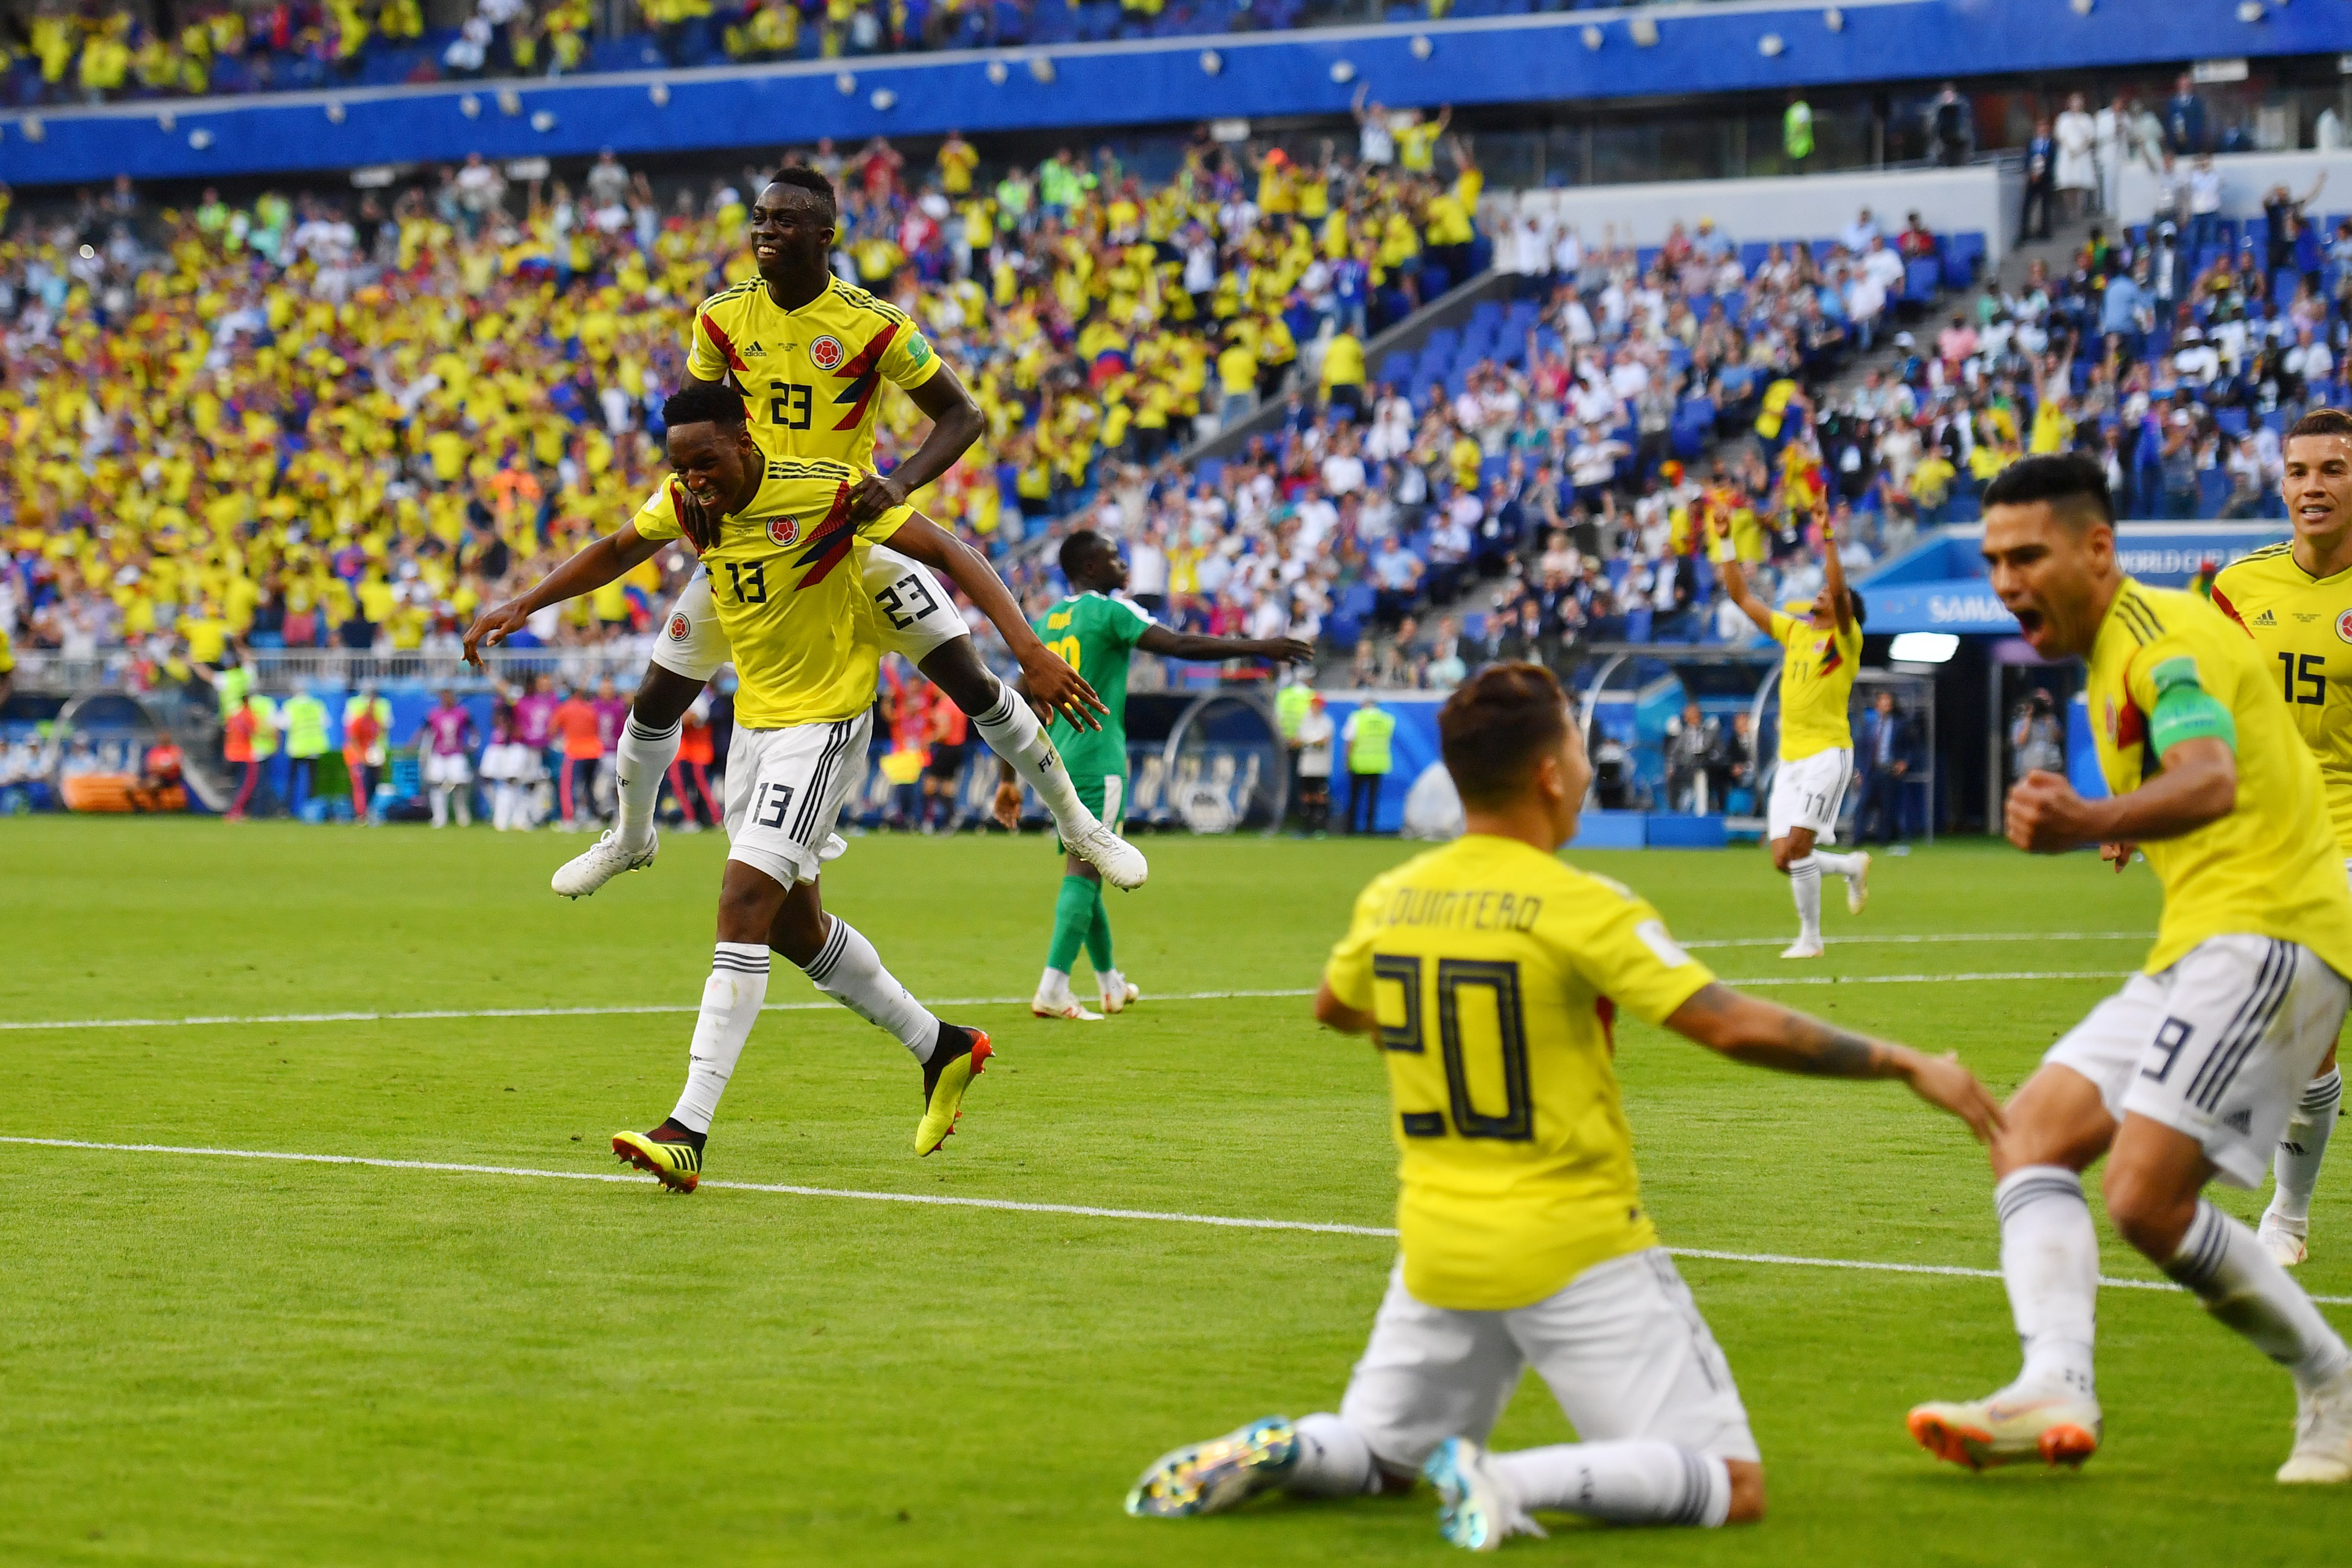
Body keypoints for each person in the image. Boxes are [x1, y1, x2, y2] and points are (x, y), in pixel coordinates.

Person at [1125, 663, 2003, 1545]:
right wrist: (1904, 1061)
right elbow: (1731, 1025)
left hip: (1439, 1241)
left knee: (1382, 1453)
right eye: (1578, 747)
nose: (1586, 766)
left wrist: (1428, 1024)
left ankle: (1300, 1449)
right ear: (1550, 772)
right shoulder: (1582, 904)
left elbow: (1335, 1004)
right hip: (1573, 1242)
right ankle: (1503, 1480)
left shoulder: (1394, 896)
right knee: (1730, 1485)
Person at [470, 383, 1103, 1187]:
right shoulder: (691, 502)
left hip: (826, 725)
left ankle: (687, 1129)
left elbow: (945, 549)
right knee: (792, 928)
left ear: (745, 440)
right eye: (680, 469)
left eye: (706, 462)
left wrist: (1022, 645)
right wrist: (524, 602)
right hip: (759, 733)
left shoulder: (824, 491)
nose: (694, 482)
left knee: (741, 902)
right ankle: (941, 1046)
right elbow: (617, 549)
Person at [504, 165, 1146, 902]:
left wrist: (898, 482)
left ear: (824, 234)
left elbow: (963, 415)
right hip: (749, 543)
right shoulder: (719, 318)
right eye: (758, 218)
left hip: (848, 528)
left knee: (971, 682)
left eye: (784, 220)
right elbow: (699, 413)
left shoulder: (873, 325)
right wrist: (704, 490)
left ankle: (1079, 827)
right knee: (655, 697)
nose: (765, 231)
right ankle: (629, 836)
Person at [1908, 453, 2352, 1484]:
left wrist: (2090, 818)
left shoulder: (2158, 641)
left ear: (2097, 548)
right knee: (2027, 1137)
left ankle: (2332, 1386)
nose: (2007, 581)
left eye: (2028, 555)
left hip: (2272, 934)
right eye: (1992, 561)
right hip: (2204, 941)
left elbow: (2207, 777)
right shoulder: (2124, 644)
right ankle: (2054, 1381)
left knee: (2145, 1200)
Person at [997, 529, 1310, 1021]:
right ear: (1093, 569)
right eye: (1115, 558)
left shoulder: (1044, 621)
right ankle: (1053, 988)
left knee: (1088, 866)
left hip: (1056, 764)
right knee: (1086, 872)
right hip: (1099, 758)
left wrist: (1007, 779)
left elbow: (1012, 700)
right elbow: (1181, 643)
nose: (1125, 565)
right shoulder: (1111, 612)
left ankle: (1109, 983)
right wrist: (1260, 646)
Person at [2207, 409, 2352, 1266]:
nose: (2314, 486)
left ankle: (2287, 1214)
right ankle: (2286, 1209)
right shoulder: (2240, 587)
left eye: (2333, 469)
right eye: (2300, 471)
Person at [1710, 507, 1870, 958]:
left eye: (1825, 591)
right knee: (1784, 857)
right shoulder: (1795, 633)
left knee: (1799, 849)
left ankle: (1811, 939)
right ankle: (1851, 868)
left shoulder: (1845, 639)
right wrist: (1726, 542)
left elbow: (1839, 591)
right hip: (1791, 760)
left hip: (1827, 756)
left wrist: (1827, 534)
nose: (1820, 593)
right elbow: (1741, 595)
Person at [1854, 690, 1913, 845]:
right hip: (1871, 771)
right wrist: (1859, 770)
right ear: (1877, 705)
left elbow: (1909, 747)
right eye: (1883, 702)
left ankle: (1884, 840)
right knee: (1864, 805)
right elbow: (1862, 748)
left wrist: (1904, 762)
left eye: (1889, 702)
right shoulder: (1870, 725)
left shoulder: (1900, 725)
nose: (1886, 705)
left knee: (1887, 807)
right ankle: (1857, 838)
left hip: (1889, 771)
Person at [414, 689, 478, 829]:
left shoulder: (462, 713)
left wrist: (473, 744)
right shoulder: (434, 714)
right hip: (439, 754)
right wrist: (414, 743)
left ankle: (462, 816)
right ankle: (439, 817)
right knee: (437, 785)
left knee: (460, 784)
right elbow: (424, 730)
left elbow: (473, 730)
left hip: (456, 753)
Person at [550, 683, 603, 831]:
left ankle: (569, 819)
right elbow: (596, 729)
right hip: (594, 751)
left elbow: (552, 730)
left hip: (575, 752)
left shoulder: (565, 709)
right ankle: (594, 818)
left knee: (568, 787)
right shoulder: (590, 709)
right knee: (589, 787)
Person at [1342, 695, 1396, 836]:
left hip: (1359, 762)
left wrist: (1347, 762)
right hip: (1378, 763)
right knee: (1372, 799)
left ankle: (1350, 828)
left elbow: (1350, 741)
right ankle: (1370, 829)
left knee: (1355, 798)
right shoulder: (1387, 720)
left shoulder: (1357, 718)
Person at [280, 686, 331, 820]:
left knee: (292, 780)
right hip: (314, 748)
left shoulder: (291, 705)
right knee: (312, 782)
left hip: (297, 748)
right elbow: (327, 723)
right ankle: (312, 812)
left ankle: (287, 810)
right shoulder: (317, 705)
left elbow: (284, 724)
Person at [343, 688, 388, 826]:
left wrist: (376, 758)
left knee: (371, 785)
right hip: (356, 757)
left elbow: (376, 740)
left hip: (368, 758)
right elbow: (353, 741)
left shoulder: (376, 723)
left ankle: (368, 812)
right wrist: (362, 757)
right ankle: (361, 815)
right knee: (360, 785)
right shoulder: (359, 721)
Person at [1295, 691, 1335, 836]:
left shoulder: (1327, 722)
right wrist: (1310, 741)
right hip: (1307, 766)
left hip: (1321, 767)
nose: (1314, 708)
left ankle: (1321, 828)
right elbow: (1297, 741)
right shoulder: (1305, 722)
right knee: (1306, 795)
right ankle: (1307, 828)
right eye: (1313, 705)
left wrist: (1307, 741)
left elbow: (1324, 740)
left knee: (1320, 795)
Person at [2020, 118, 2057, 242]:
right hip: (2032, 178)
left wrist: (2044, 173)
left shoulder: (2052, 144)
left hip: (2046, 178)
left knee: (2045, 206)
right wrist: (2030, 173)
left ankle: (2045, 232)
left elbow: (2053, 160)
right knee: (2027, 205)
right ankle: (2025, 232)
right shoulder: (2031, 142)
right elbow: (2027, 158)